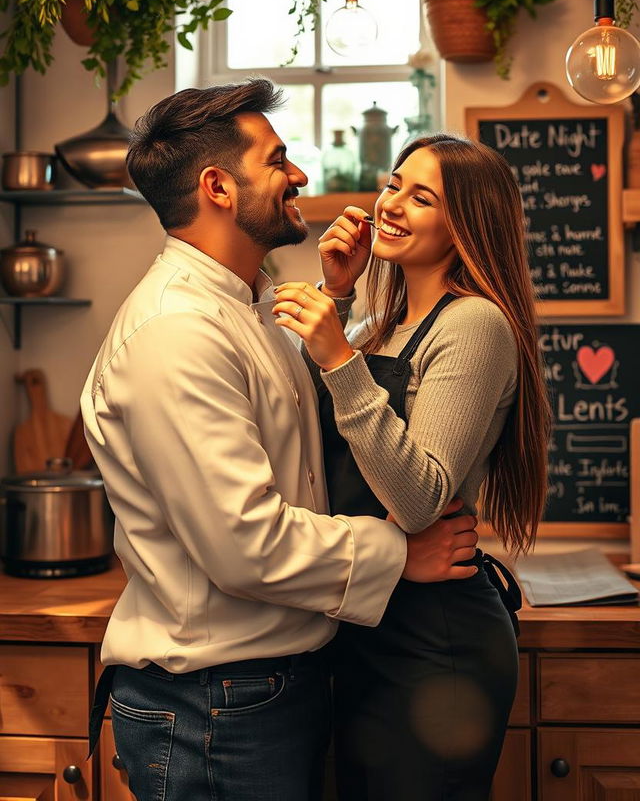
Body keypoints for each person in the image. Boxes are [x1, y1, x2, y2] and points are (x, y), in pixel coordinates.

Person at [81, 83, 480, 801]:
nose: (299, 176)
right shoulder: (177, 332)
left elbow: (306, 434)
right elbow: (245, 543)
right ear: (218, 188)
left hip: (257, 694)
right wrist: (401, 553)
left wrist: (340, 296)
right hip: (211, 710)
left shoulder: (252, 304)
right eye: (278, 160)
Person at [273, 133, 551, 801]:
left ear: (466, 225)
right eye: (394, 183)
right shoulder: (382, 322)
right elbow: (321, 438)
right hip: (367, 622)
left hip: (436, 646)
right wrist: (340, 295)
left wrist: (340, 356)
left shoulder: (473, 324)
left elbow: (420, 499)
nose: (392, 203)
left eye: (421, 197)